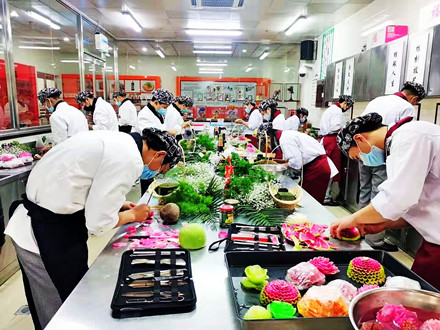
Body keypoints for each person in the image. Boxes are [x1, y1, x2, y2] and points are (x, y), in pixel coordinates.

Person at [4, 128, 182, 329]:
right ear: (160, 154)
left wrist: (119, 204)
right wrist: (132, 215)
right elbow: (98, 223)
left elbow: (88, 180)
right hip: (42, 233)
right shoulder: (130, 159)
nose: (155, 172)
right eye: (161, 168)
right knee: (60, 306)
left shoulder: (120, 140)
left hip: (53, 220)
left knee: (73, 295)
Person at [331, 112, 440, 290]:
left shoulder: (410, 136)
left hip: (437, 243)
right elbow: (419, 205)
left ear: (359, 138)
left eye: (358, 157)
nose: (364, 162)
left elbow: (398, 197)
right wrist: (385, 224)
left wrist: (352, 219)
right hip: (433, 239)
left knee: (428, 299)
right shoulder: (400, 144)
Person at [358, 81, 425, 251]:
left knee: (364, 190)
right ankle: (374, 241)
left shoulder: (378, 100)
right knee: (378, 194)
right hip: (382, 156)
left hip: (363, 151)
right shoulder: (407, 107)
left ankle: (357, 230)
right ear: (414, 98)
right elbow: (406, 137)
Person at [278, 128, 338, 203]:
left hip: (318, 167)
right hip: (314, 166)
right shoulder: (286, 135)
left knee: (310, 201)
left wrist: (278, 167)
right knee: (304, 198)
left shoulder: (285, 138)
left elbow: (296, 163)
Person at [319, 94, 355, 205]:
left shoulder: (331, 109)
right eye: (348, 106)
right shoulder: (337, 111)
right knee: (331, 169)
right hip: (331, 142)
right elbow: (335, 127)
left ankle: (325, 195)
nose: (347, 108)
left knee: (327, 168)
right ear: (344, 103)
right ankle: (326, 197)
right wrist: (344, 128)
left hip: (326, 140)